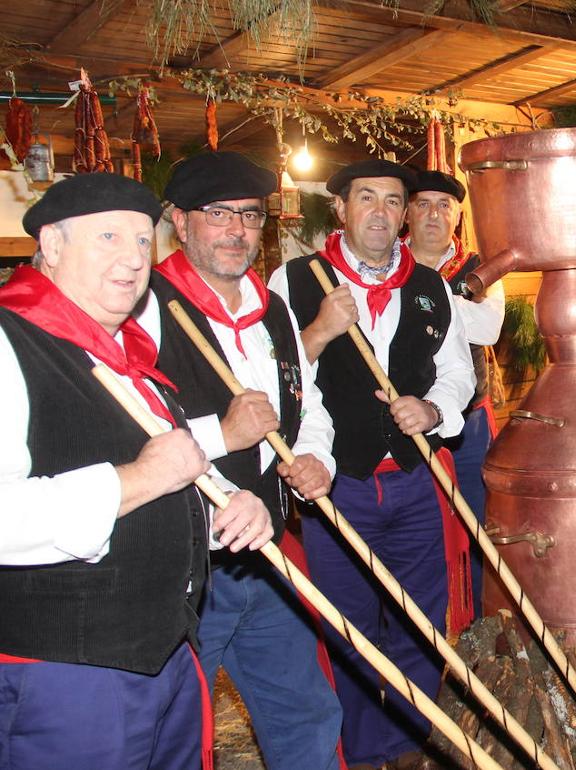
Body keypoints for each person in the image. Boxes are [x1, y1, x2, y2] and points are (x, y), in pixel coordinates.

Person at [0, 172, 270, 768]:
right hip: (67, 676)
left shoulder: (124, 357)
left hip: (167, 652)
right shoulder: (9, 343)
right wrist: (138, 479)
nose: (132, 259)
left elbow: (175, 470)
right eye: (107, 238)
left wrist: (227, 501)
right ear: (50, 244)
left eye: (143, 241)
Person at [269, 159, 475, 769]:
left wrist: (433, 412)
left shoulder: (431, 284)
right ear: (340, 208)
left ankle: (410, 742)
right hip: (340, 485)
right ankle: (361, 751)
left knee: (420, 620)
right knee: (349, 626)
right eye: (367, 198)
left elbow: (458, 373)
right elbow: (283, 378)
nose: (381, 211)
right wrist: (321, 330)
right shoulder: (295, 280)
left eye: (392, 200)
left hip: (415, 481)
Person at [141, 151, 343, 770]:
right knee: (174, 734)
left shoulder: (272, 310)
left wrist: (315, 458)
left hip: (266, 556)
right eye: (217, 214)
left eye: (250, 217)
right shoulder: (144, 310)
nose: (237, 231)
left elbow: (307, 406)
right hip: (179, 568)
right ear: (179, 220)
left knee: (304, 713)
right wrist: (221, 435)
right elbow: (118, 443)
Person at [405, 169, 503, 617]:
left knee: (477, 520)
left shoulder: (481, 268)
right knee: (416, 525)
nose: (433, 214)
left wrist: (431, 294)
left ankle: (479, 618)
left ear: (457, 216)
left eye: (444, 205)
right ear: (407, 212)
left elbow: (487, 328)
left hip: (468, 422)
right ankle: (424, 620)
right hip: (402, 421)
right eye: (423, 203)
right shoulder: (386, 263)